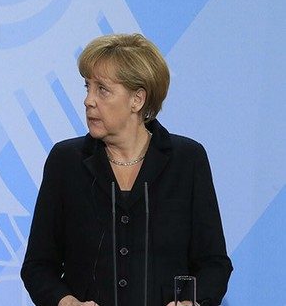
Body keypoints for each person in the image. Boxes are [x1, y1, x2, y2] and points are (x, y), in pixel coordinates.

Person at [21, 34, 232, 306]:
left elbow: (214, 263)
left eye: (102, 89)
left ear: (137, 99)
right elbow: (38, 265)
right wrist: (66, 302)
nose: (88, 100)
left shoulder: (187, 160)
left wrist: (193, 302)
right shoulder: (66, 162)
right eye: (87, 87)